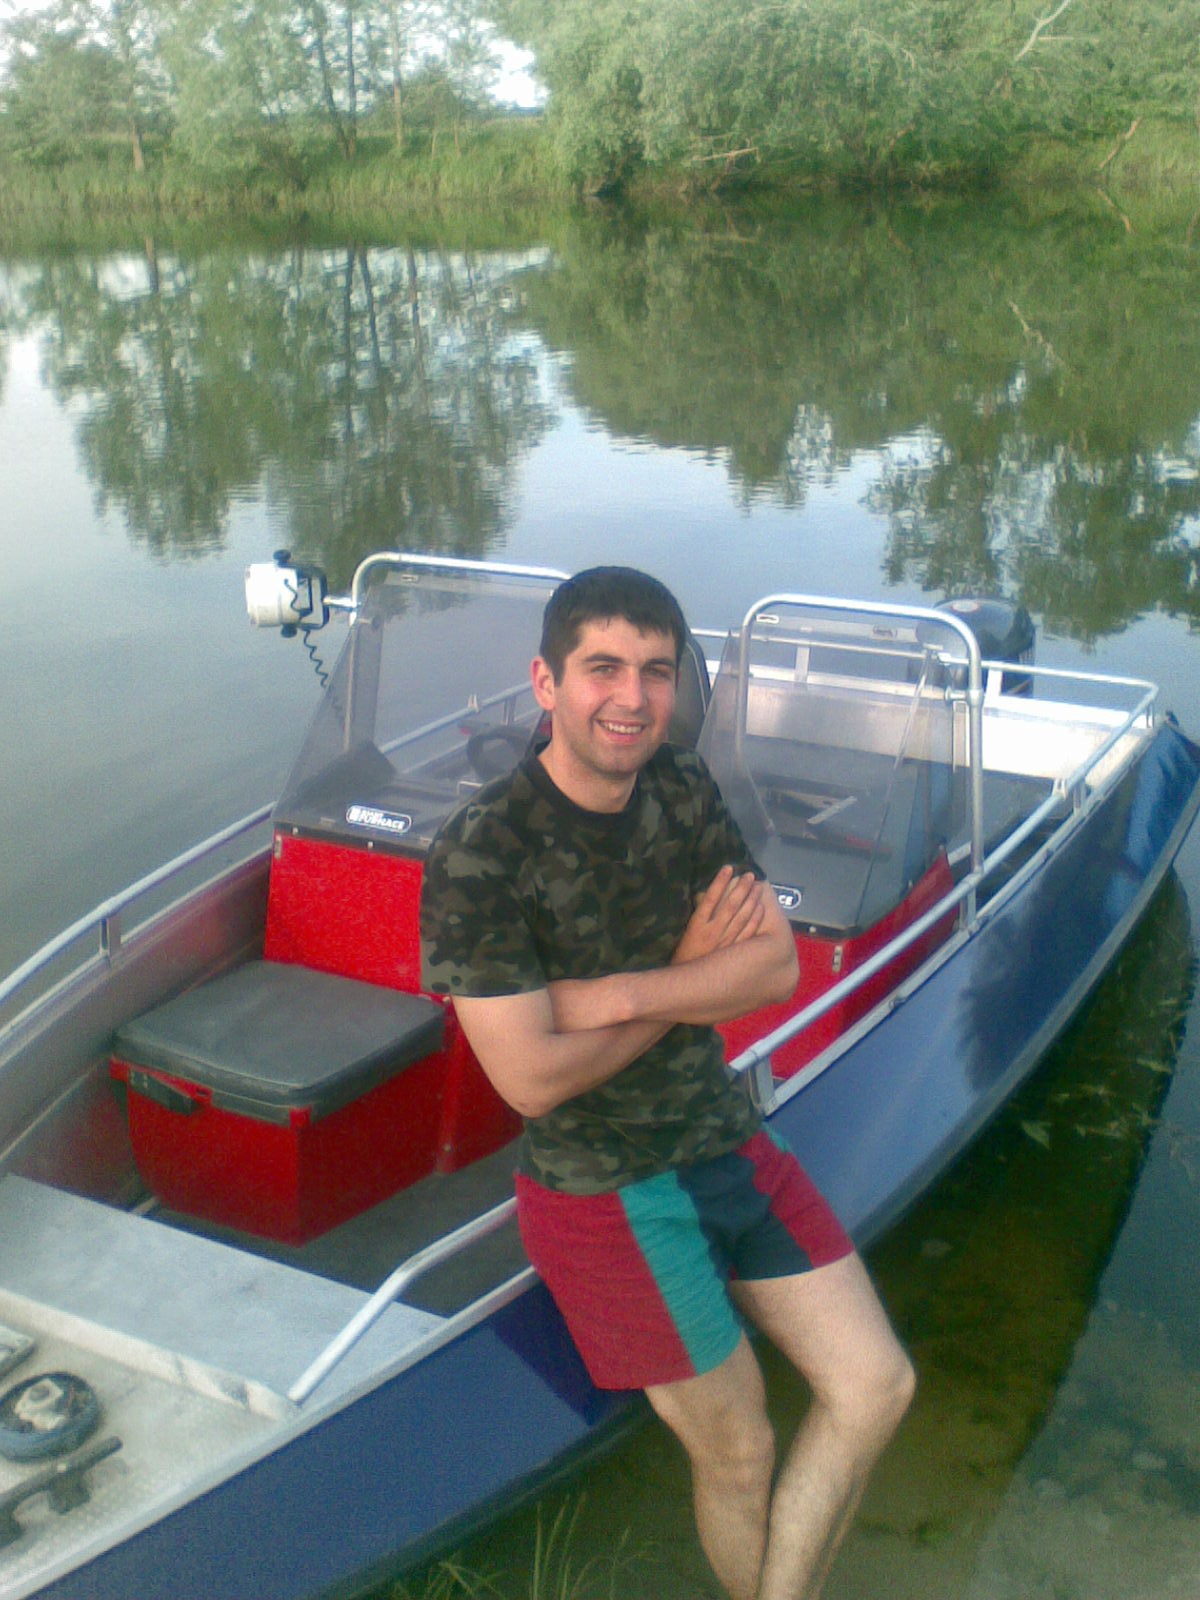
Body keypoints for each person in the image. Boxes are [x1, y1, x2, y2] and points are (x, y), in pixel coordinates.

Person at [419, 566, 914, 1600]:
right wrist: (692, 977)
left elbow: (772, 969)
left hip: (724, 1138)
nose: (632, 697)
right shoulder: (482, 852)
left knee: (877, 1385)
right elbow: (532, 1081)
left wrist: (613, 994)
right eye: (602, 668)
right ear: (546, 682)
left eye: (655, 670)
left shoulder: (681, 787)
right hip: (604, 1189)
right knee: (739, 1448)